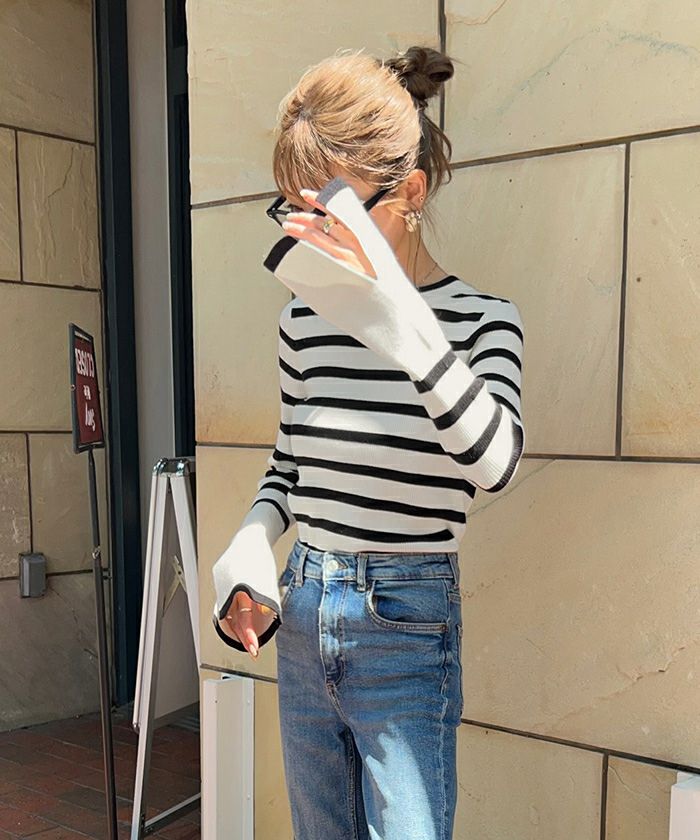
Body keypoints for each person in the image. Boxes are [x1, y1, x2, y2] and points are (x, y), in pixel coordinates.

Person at [211, 45, 526, 840]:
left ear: (409, 192)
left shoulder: (483, 322)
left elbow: (496, 463)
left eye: (332, 213)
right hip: (304, 601)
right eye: (296, 213)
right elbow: (291, 463)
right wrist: (250, 547)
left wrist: (405, 327)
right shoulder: (302, 320)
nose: (311, 238)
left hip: (405, 616)